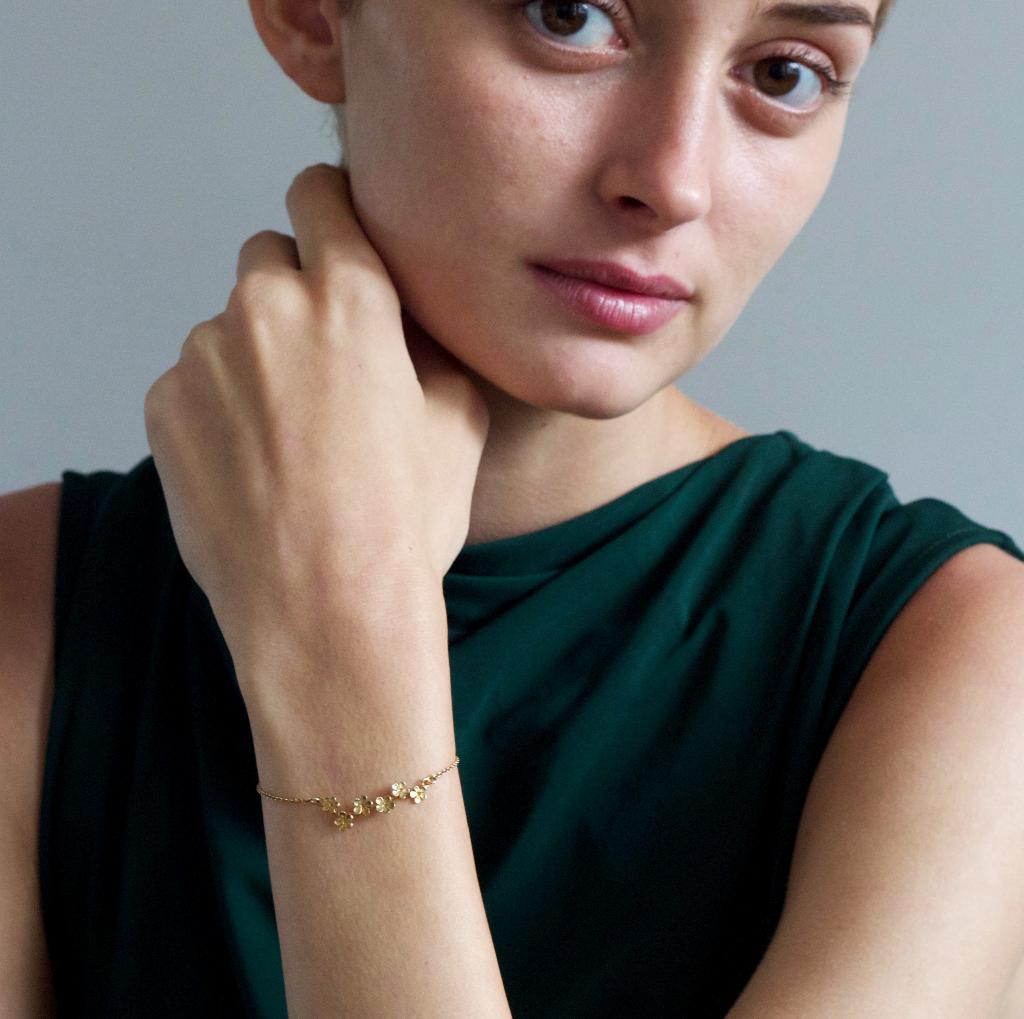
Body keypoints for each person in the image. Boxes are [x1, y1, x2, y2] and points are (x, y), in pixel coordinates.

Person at [4, 0, 1024, 1015]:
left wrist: (342, 644)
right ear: (312, 16)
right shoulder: (26, 620)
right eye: (568, 16)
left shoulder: (963, 659)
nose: (672, 181)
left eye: (783, 74)